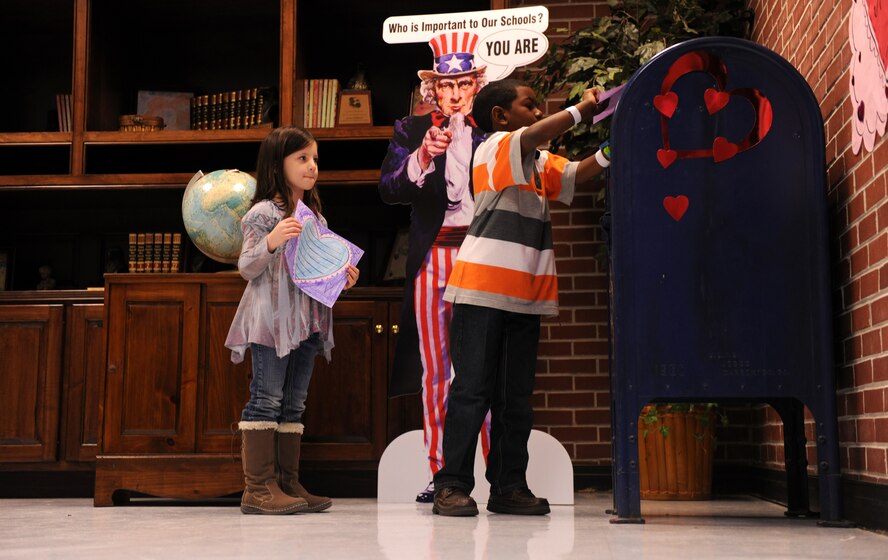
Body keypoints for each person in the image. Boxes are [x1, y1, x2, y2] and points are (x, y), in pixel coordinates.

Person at [432, 79, 610, 516]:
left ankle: (509, 486)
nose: (537, 112)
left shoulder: (538, 162)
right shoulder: (494, 146)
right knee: (472, 391)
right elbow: (533, 134)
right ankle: (451, 486)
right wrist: (580, 111)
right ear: (500, 116)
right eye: (529, 105)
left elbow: (575, 174)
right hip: (481, 292)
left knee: (516, 399)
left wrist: (614, 148)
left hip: (524, 297)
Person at [379, 31, 493, 503]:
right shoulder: (409, 131)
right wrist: (424, 154)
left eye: (463, 84)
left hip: (480, 256)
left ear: (474, 89)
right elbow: (388, 188)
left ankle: (488, 472)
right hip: (433, 257)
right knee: (435, 369)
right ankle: (439, 471)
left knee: (480, 366)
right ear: (433, 90)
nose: (454, 94)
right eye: (446, 85)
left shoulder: (491, 136)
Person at [225, 126, 360, 515]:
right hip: (272, 321)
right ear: (277, 164)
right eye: (302, 158)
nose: (312, 166)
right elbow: (247, 267)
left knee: (294, 403)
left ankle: (286, 482)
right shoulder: (264, 213)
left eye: (315, 159)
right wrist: (272, 240)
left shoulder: (314, 216)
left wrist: (342, 275)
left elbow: (312, 268)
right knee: (266, 398)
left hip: (306, 321)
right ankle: (257, 487)